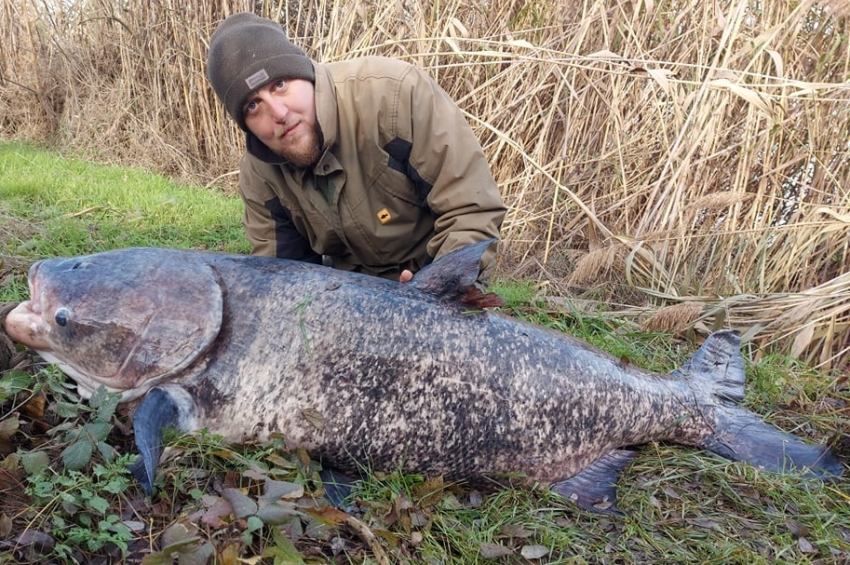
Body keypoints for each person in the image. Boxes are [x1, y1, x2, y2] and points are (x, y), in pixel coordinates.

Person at [206, 13, 505, 282]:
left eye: (280, 85)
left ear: (305, 72)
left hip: (435, 272)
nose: (279, 114)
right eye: (254, 106)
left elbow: (470, 211)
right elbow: (282, 275)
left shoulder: (394, 95)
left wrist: (436, 288)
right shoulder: (260, 173)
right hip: (350, 293)